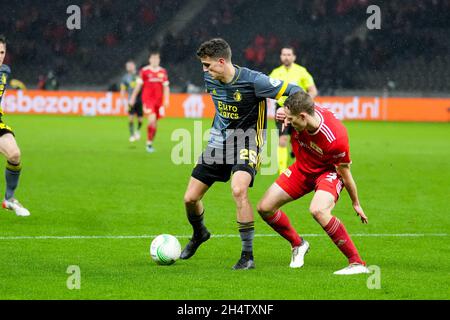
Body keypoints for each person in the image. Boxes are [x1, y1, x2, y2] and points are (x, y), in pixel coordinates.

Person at [180, 38, 301, 270]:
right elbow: (221, 109)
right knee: (190, 198)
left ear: (222, 61)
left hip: (248, 142)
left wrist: (286, 110)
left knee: (238, 189)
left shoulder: (255, 81)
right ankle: (200, 233)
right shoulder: (210, 77)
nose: (204, 70)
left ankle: (247, 256)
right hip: (219, 142)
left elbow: (295, 91)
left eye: (207, 65)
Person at [257, 91, 369, 275]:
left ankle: (356, 263)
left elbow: (346, 173)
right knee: (265, 207)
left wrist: (355, 202)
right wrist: (282, 114)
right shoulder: (301, 112)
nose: (289, 122)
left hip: (328, 173)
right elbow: (291, 105)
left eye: (292, 119)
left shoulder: (335, 138)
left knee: (318, 210)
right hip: (302, 168)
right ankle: (298, 244)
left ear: (303, 116)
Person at [270, 46, 318, 175]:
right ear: (281, 56)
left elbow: (313, 90)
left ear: (294, 57)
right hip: (281, 110)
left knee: (301, 140)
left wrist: (305, 103)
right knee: (282, 140)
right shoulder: (275, 73)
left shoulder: (302, 72)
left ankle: (305, 166)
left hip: (299, 111)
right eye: (284, 54)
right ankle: (282, 172)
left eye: (289, 54)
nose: (286, 57)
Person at [0, 35, 30, 216]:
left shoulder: (4, 72)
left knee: (14, 154)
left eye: (2, 52)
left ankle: (9, 199)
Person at [129, 50, 170, 153]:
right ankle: (148, 144)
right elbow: (138, 86)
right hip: (147, 100)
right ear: (150, 59)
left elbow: (166, 87)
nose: (155, 60)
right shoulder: (144, 71)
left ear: (159, 60)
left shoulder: (162, 71)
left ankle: (150, 143)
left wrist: (167, 98)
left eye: (157, 58)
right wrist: (133, 97)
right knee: (151, 119)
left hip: (158, 101)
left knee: (155, 124)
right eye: (153, 58)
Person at [120, 60, 143, 142]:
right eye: (128, 66)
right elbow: (123, 89)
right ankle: (132, 135)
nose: (129, 67)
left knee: (140, 119)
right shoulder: (125, 78)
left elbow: (140, 86)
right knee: (131, 118)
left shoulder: (139, 75)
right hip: (130, 101)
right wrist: (122, 100)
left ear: (134, 66)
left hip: (140, 100)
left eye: (130, 65)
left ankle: (138, 130)